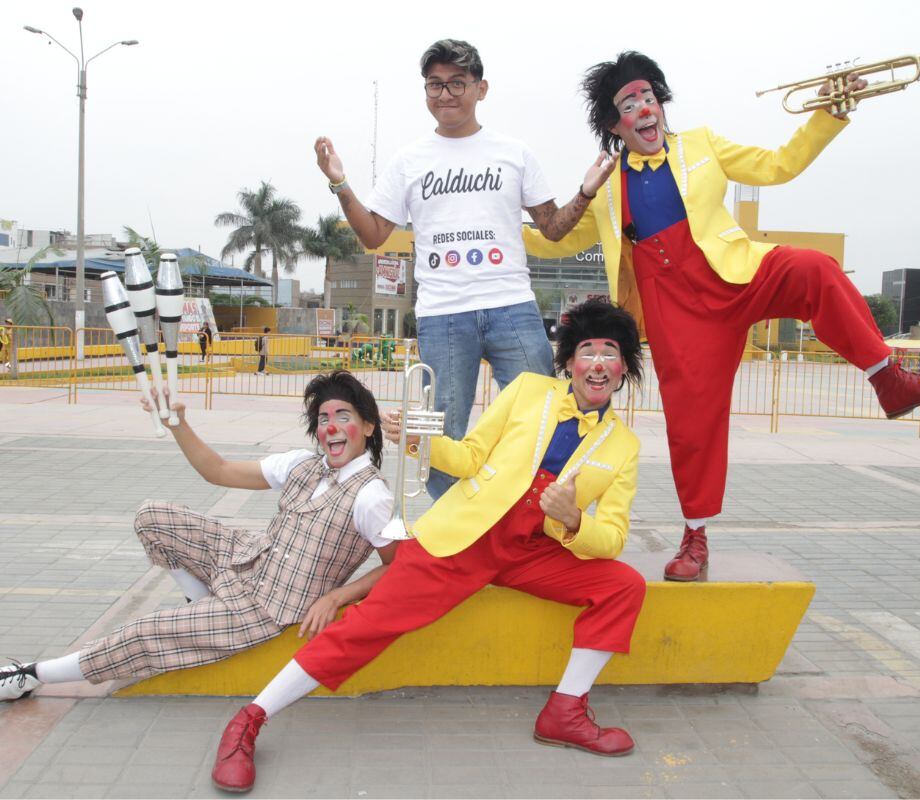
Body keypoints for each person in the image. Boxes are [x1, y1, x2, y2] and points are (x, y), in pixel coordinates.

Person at [525, 52, 920, 582]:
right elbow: (553, 239)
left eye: (648, 97)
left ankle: (890, 381)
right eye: (628, 104)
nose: (643, 109)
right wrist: (491, 222)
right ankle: (695, 537)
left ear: (660, 103)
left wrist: (832, 110)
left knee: (815, 269)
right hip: (676, 313)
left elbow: (780, 164)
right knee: (693, 426)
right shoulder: (607, 185)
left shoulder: (703, 144)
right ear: (613, 123)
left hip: (734, 275)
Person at [206, 299, 648, 792]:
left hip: (533, 549)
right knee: (368, 627)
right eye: (588, 351)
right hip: (462, 540)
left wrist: (573, 522)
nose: (599, 363)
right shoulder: (529, 391)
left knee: (623, 585)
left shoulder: (623, 446)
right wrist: (415, 440)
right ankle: (249, 719)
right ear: (569, 362)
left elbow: (612, 539)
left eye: (611, 354)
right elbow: (470, 457)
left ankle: (565, 710)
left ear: (624, 368)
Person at [0, 371, 400, 720]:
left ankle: (29, 676)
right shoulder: (305, 464)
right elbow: (219, 472)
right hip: (247, 557)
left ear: (367, 425)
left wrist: (338, 595)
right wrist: (179, 424)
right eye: (323, 418)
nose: (332, 427)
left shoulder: (371, 495)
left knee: (147, 633)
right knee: (154, 517)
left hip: (267, 606)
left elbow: (399, 567)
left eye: (343, 416)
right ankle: (199, 602)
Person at [315, 38, 617, 500]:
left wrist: (587, 191)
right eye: (435, 85)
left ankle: (535, 513)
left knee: (542, 413)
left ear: (482, 88)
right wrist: (340, 182)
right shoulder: (409, 161)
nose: (446, 94)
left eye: (458, 83)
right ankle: (452, 524)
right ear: (425, 93)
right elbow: (374, 235)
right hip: (443, 312)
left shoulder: (513, 153)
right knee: (441, 432)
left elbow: (553, 229)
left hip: (511, 306)